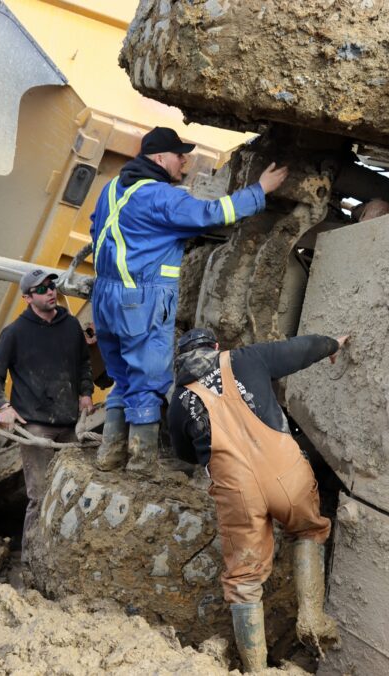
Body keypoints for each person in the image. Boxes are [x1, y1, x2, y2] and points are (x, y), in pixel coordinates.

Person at [90, 126, 289, 475]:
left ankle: (110, 453)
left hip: (105, 296)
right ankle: (141, 461)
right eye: (179, 155)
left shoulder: (112, 189)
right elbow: (211, 213)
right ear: (159, 158)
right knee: (148, 380)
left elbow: (96, 228)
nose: (184, 161)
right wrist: (260, 190)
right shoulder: (160, 196)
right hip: (142, 299)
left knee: (122, 377)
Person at [167, 327, 350, 672]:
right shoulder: (246, 358)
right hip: (287, 473)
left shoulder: (179, 401)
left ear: (180, 361)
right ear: (216, 346)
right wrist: (331, 344)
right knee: (308, 531)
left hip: (238, 492)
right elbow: (298, 350)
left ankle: (256, 670)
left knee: (244, 581)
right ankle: (311, 617)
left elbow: (184, 453)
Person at [0, 268, 93, 562]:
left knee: (74, 491)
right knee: (40, 495)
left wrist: (85, 392)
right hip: (35, 428)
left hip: (70, 426)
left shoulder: (70, 326)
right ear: (28, 298)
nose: (50, 291)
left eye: (51, 285)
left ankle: (65, 557)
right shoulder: (15, 333)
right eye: (41, 289)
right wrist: (4, 406)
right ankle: (31, 561)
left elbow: (83, 364)